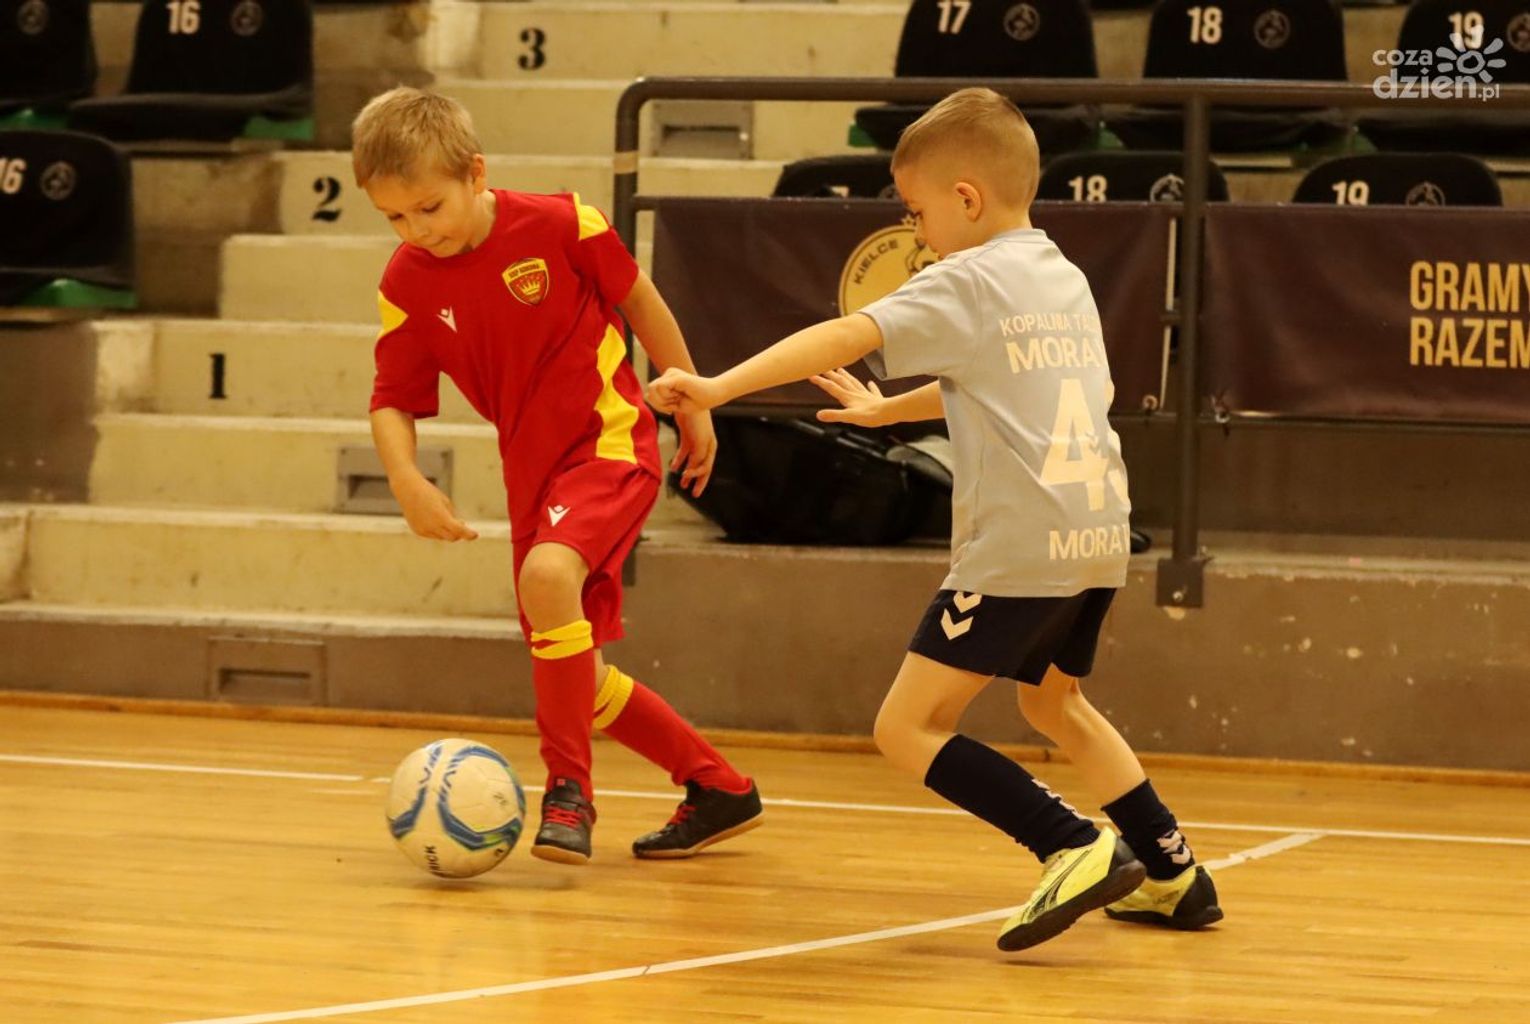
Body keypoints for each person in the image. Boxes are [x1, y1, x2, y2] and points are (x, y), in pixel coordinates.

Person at [650, 87, 1220, 950]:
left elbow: (845, 335)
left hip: (1019, 545)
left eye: (916, 213)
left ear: (966, 198)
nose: (916, 234)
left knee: (907, 726)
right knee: (1055, 703)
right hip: (1097, 530)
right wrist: (891, 412)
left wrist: (717, 387)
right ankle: (1175, 873)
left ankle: (1071, 846)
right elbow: (1016, 383)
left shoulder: (967, 277)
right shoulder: (1059, 274)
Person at [353, 87, 762, 866]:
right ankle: (719, 787)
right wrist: (406, 479)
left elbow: (640, 301)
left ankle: (569, 792)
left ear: (476, 174)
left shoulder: (564, 223)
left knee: (546, 577)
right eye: (395, 218)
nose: (416, 230)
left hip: (609, 445)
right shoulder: (407, 282)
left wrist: (693, 399)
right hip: (531, 477)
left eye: (429, 208)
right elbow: (392, 399)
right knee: (581, 676)